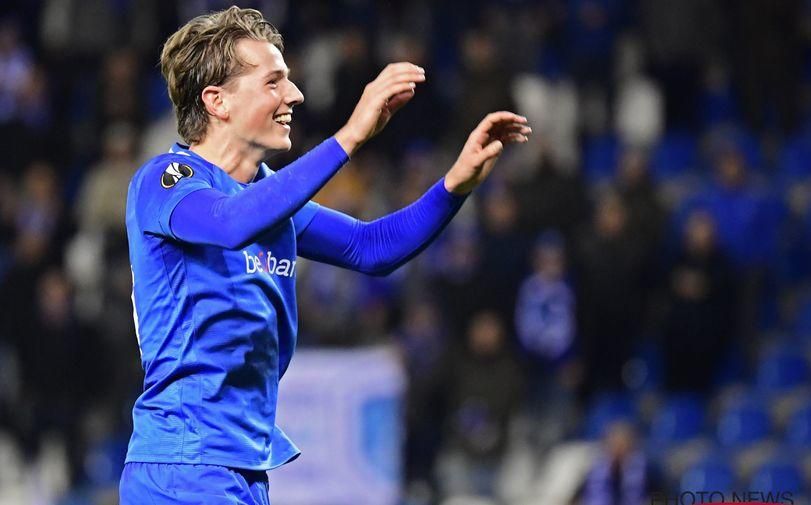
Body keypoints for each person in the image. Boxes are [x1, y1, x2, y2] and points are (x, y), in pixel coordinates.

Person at [118, 6, 530, 504]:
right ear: (217, 100)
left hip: (240, 467)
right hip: (182, 463)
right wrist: (350, 135)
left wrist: (453, 186)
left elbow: (372, 246)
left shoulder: (268, 198)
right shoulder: (166, 182)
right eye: (273, 82)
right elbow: (230, 224)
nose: (294, 94)